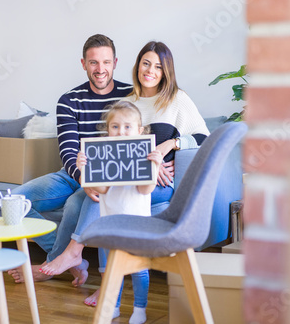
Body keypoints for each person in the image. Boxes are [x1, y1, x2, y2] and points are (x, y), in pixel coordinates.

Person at [40, 40, 210, 306]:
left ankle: (76, 254)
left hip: (157, 181)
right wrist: (89, 167)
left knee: (102, 201)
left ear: (166, 71)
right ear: (137, 65)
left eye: (158, 66)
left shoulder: (177, 99)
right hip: (123, 180)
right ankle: (107, 282)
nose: (150, 70)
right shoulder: (126, 101)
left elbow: (203, 137)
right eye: (146, 63)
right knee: (89, 198)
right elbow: (112, 145)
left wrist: (170, 145)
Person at [7, 34, 132, 284]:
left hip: (107, 177)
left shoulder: (130, 96)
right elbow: (68, 150)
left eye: (106, 62)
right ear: (83, 63)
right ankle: (70, 258)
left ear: (115, 62)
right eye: (94, 62)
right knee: (12, 202)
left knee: (76, 204)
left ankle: (52, 264)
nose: (100, 69)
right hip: (72, 174)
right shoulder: (68, 100)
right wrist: (83, 178)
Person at [78, 100, 163, 323]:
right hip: (111, 224)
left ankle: (139, 309)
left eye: (127, 127)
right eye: (115, 126)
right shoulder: (103, 155)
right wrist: (85, 169)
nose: (121, 131)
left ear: (139, 131)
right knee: (113, 269)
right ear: (107, 131)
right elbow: (102, 188)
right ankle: (114, 306)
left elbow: (145, 189)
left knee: (139, 269)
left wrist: (155, 165)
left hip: (137, 224)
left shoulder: (144, 156)